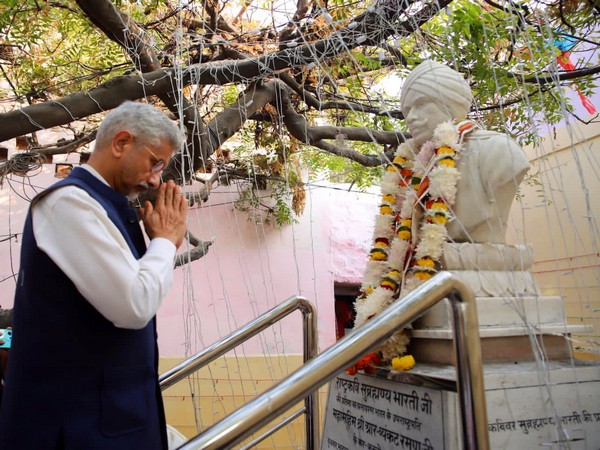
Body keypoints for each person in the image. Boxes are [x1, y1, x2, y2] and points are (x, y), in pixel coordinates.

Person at [0, 101, 188, 449]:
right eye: (155, 163)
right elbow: (134, 304)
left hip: (105, 421)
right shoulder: (68, 204)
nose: (155, 179)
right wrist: (164, 241)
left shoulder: (104, 206)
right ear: (121, 143)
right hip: (75, 429)